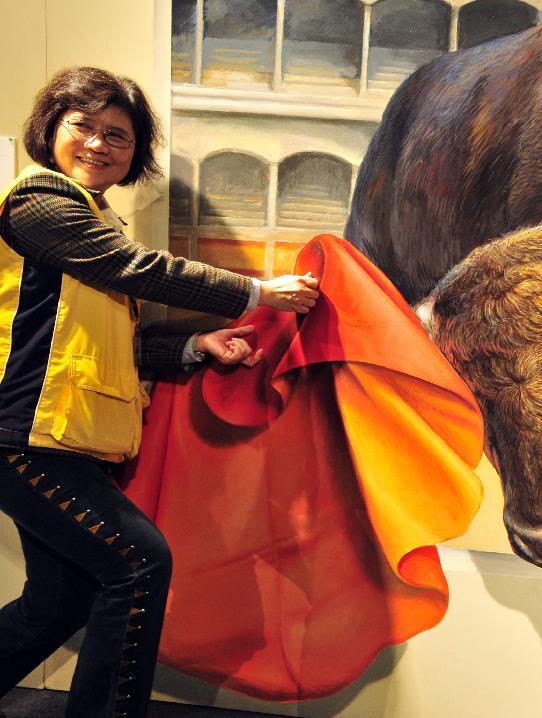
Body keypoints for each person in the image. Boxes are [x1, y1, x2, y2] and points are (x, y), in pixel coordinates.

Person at [0, 66, 318, 718]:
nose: (99, 143)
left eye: (117, 135)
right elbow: (135, 269)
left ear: (134, 153)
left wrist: (195, 346)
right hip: (24, 435)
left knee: (59, 600)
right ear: (50, 130)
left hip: (59, 433)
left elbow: (100, 343)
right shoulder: (38, 202)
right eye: (84, 126)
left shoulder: (94, 221)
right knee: (138, 565)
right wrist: (257, 292)